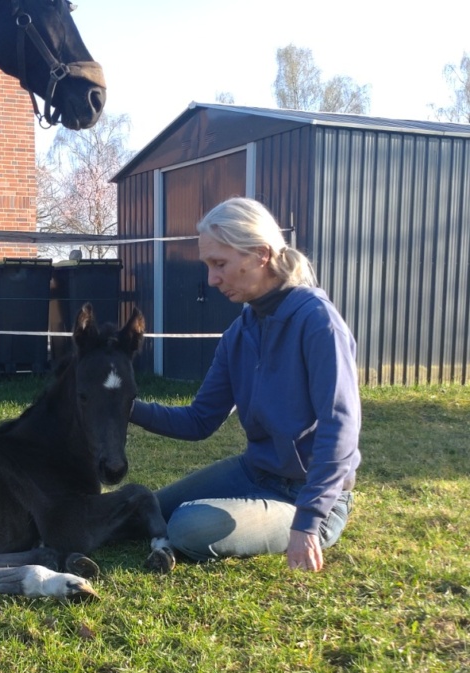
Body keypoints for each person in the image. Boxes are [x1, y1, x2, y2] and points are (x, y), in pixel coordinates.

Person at [131, 197, 360, 572]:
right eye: (208, 265)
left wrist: (307, 522)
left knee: (189, 527)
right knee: (145, 508)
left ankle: (295, 520)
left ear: (260, 255)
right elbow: (199, 420)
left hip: (310, 499)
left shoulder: (317, 321)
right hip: (253, 473)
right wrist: (125, 407)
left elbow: (340, 427)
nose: (212, 279)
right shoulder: (239, 333)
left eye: (219, 264)